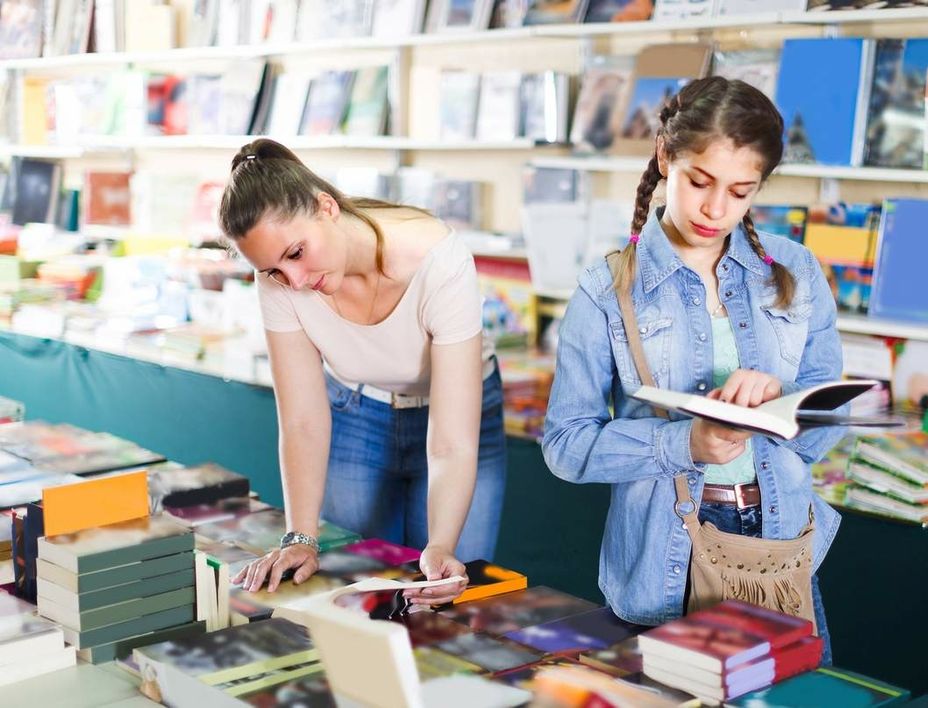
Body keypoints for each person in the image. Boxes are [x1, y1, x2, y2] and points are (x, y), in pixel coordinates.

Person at [541, 77, 846, 662]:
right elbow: (565, 444)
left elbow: (827, 420)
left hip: (780, 541)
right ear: (665, 156)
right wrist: (687, 443)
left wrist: (781, 402)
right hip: (664, 553)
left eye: (740, 192)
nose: (715, 209)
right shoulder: (606, 289)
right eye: (699, 182)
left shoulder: (796, 269)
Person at [220, 139, 506, 605]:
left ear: (326, 206)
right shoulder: (278, 274)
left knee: (444, 597)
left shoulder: (438, 259)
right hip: (358, 412)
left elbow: (452, 440)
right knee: (351, 590)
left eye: (295, 254)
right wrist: (300, 537)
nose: (293, 281)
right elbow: (302, 420)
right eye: (273, 270)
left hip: (457, 422)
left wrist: (441, 545)